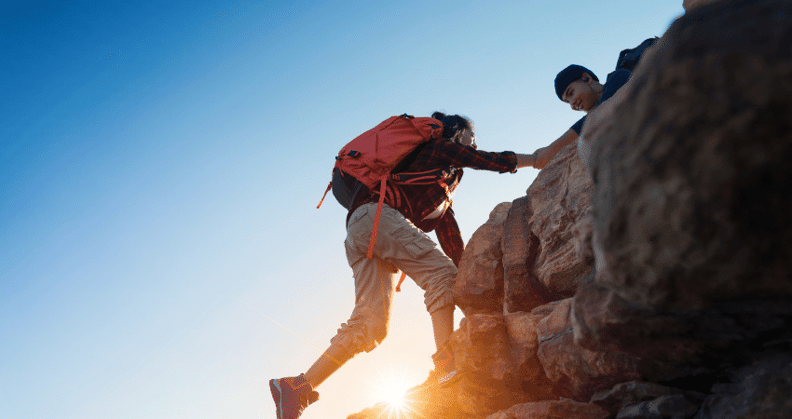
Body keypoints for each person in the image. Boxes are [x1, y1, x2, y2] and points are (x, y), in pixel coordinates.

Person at [269, 112, 536, 419]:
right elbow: (486, 160)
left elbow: (453, 246)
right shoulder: (438, 149)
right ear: (457, 133)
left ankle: (295, 388)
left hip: (361, 226)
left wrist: (473, 288)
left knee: (370, 326)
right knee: (440, 275)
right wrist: (537, 158)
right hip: (376, 217)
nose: (472, 145)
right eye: (470, 138)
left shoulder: (439, 191)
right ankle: (447, 365)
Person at [532, 38, 657, 169]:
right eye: (568, 102)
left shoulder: (619, 77)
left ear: (587, 78)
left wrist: (552, 149)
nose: (572, 104)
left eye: (571, 93)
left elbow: (602, 110)